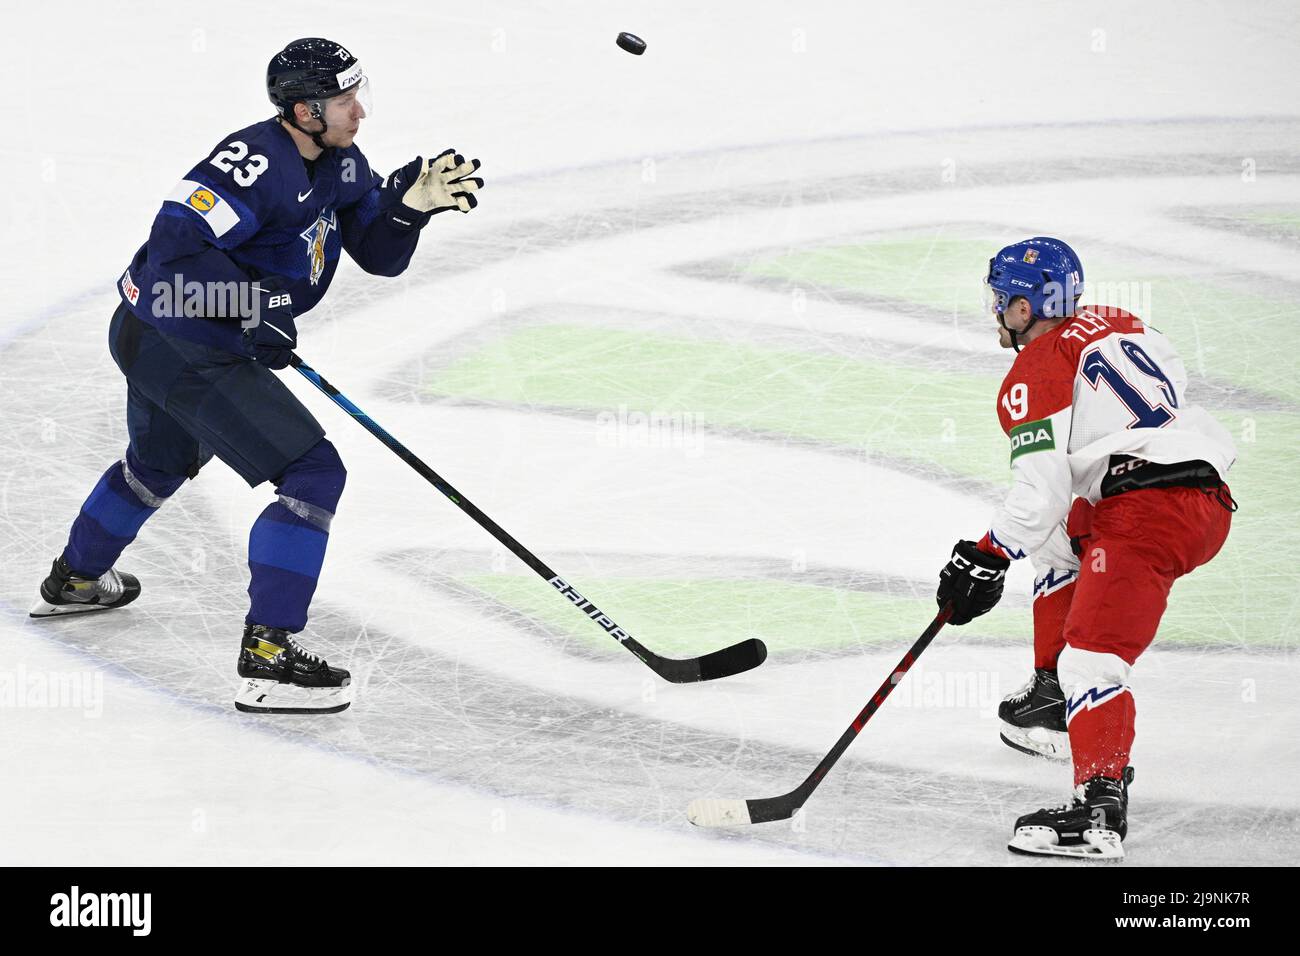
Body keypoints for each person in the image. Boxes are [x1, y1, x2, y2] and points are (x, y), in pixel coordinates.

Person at [30, 38, 484, 715]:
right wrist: (251, 306)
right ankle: (268, 661)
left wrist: (408, 207)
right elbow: (166, 280)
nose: (359, 112)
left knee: (157, 463)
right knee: (312, 474)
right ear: (304, 110)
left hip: (174, 341)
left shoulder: (339, 159)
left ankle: (74, 581)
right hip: (174, 340)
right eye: (343, 101)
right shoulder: (248, 167)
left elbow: (379, 255)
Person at [934, 237, 1237, 859]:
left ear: (1023, 305)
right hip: (1200, 496)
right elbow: (1161, 393)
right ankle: (1050, 699)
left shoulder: (1031, 371)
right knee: (1054, 542)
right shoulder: (1124, 322)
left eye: (1001, 297)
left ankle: (1098, 810)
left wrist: (985, 555)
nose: (996, 309)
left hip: (1146, 514)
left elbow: (1040, 490)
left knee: (1092, 662)